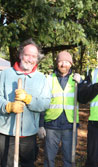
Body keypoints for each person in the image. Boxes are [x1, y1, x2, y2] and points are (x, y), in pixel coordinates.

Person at [0, 38, 51, 167]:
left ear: (37, 59)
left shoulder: (41, 79)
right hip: (7, 132)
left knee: (28, 164)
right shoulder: (5, 74)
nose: (30, 59)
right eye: (27, 55)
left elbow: (45, 103)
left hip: (29, 134)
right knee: (7, 164)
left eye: (34, 56)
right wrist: (8, 106)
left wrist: (28, 99)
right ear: (21, 55)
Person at [38, 51, 82, 167]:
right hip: (51, 125)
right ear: (57, 63)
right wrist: (41, 124)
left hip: (70, 125)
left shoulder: (76, 80)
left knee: (69, 159)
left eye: (67, 62)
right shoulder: (48, 79)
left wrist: (82, 84)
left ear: (71, 64)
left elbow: (84, 98)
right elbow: (43, 102)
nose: (63, 64)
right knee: (49, 158)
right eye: (61, 62)